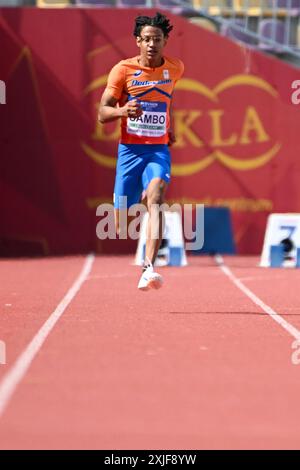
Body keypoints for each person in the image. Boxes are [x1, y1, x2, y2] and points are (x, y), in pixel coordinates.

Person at [98, 11, 184, 291]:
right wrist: (123, 110)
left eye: (157, 39)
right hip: (129, 152)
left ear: (165, 41)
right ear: (137, 41)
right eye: (146, 39)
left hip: (157, 150)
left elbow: (166, 100)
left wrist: (170, 125)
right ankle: (135, 195)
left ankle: (148, 268)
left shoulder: (175, 68)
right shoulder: (122, 70)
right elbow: (102, 112)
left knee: (158, 197)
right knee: (122, 223)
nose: (151, 44)